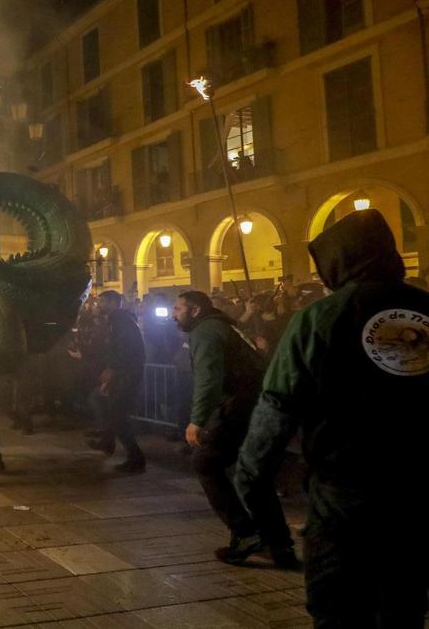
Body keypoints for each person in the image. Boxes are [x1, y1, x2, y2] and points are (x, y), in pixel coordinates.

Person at [234, 210, 429, 627]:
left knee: (339, 612)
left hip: (344, 504)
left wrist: (255, 492)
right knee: (404, 609)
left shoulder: (318, 320)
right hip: (417, 502)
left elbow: (276, 411)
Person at [173, 291, 295, 566]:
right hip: (259, 405)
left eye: (178, 307)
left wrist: (198, 419)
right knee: (254, 474)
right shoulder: (225, 326)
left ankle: (245, 533)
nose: (173, 313)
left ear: (194, 310)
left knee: (206, 461)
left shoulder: (206, 331)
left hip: (239, 406)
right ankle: (279, 545)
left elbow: (209, 377)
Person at [87, 290, 146, 473]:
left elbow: (123, 347)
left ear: (113, 302)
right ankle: (107, 441)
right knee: (100, 401)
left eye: (102, 301)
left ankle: (136, 457)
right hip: (122, 373)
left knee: (117, 414)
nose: (99, 305)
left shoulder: (120, 320)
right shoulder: (118, 320)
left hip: (125, 375)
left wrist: (112, 368)